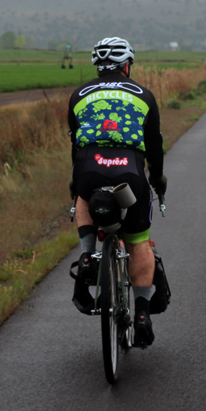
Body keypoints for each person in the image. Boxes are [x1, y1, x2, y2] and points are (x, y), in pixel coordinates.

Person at [68, 36, 167, 346]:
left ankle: (87, 256)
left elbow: (76, 142)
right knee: (138, 243)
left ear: (98, 66)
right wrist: (157, 179)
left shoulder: (79, 94)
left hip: (89, 167)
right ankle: (142, 313)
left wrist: (76, 181)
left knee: (83, 196)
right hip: (129, 172)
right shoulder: (144, 94)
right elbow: (155, 146)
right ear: (127, 65)